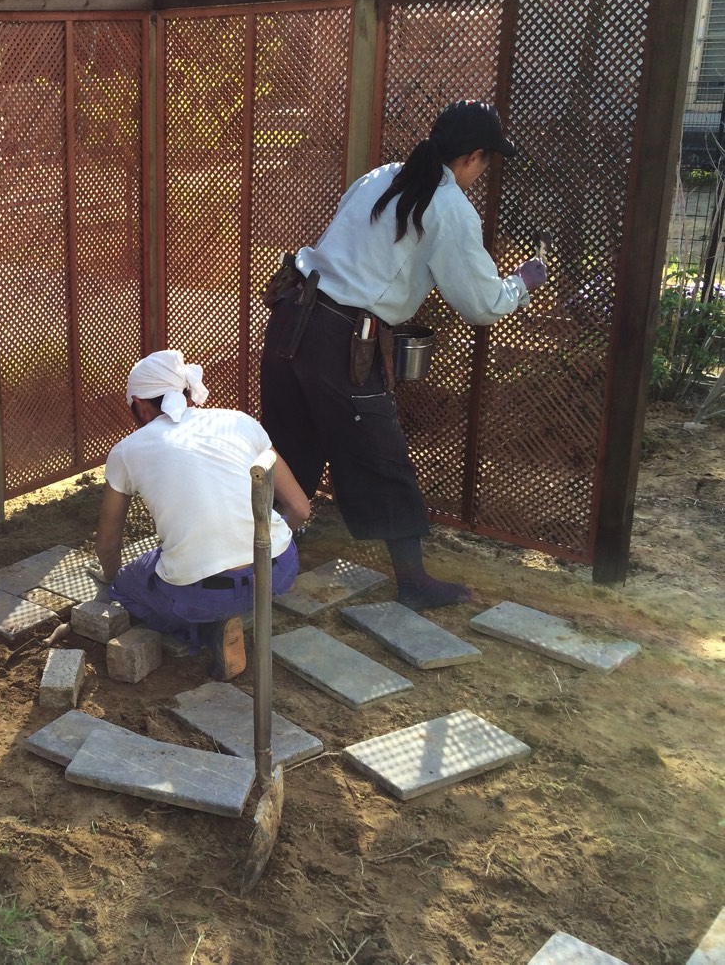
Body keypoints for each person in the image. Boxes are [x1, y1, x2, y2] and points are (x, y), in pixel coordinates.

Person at [260, 99, 548, 610]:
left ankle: (252, 556)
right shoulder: (450, 206)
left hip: (291, 315)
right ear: (472, 157)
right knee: (380, 453)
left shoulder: (382, 176)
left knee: (290, 441)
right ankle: (413, 581)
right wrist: (523, 282)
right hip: (340, 338)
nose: (481, 174)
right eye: (485, 163)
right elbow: (481, 304)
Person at [92, 350, 311, 681]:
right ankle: (243, 608)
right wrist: (263, 550)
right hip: (277, 572)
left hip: (202, 594)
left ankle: (208, 632)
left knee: (127, 587)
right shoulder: (239, 421)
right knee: (192, 567)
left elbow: (108, 545)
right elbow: (300, 508)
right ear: (186, 391)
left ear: (139, 404)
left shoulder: (127, 451)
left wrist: (111, 580)